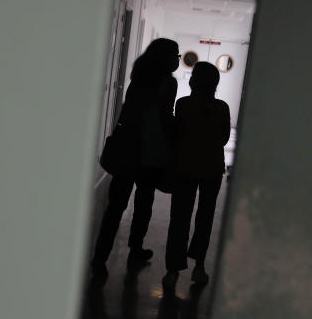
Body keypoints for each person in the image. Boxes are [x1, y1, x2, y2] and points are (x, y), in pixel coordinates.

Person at [90, 38, 180, 278]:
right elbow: (165, 117)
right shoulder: (168, 84)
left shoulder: (138, 78)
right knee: (143, 203)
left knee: (115, 206)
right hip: (149, 151)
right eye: (176, 56)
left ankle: (100, 257)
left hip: (127, 148)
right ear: (166, 58)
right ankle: (135, 248)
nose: (178, 61)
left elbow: (130, 112)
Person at [162, 61, 231, 288]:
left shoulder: (183, 104)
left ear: (193, 81)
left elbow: (176, 135)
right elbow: (223, 139)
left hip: (184, 167)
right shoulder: (222, 107)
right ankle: (199, 267)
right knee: (206, 217)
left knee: (179, 217)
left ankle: (173, 270)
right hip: (212, 169)